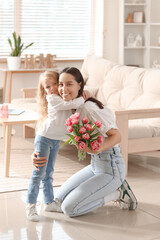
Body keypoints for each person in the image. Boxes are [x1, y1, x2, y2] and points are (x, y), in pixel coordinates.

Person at [32, 67, 137, 218]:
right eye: (60, 84)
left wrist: (96, 149)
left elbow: (117, 136)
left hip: (111, 167)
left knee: (70, 209)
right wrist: (35, 154)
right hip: (95, 165)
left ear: (80, 85)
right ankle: (106, 189)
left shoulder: (89, 108)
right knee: (56, 202)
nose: (63, 89)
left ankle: (118, 193)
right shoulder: (68, 107)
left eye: (69, 84)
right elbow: (48, 131)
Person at [26, 71, 85, 222]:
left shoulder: (63, 95)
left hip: (55, 140)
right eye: (47, 87)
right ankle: (31, 205)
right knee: (39, 173)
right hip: (44, 138)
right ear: (44, 90)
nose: (52, 88)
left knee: (49, 173)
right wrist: (84, 97)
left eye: (55, 84)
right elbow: (72, 104)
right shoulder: (52, 99)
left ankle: (49, 202)